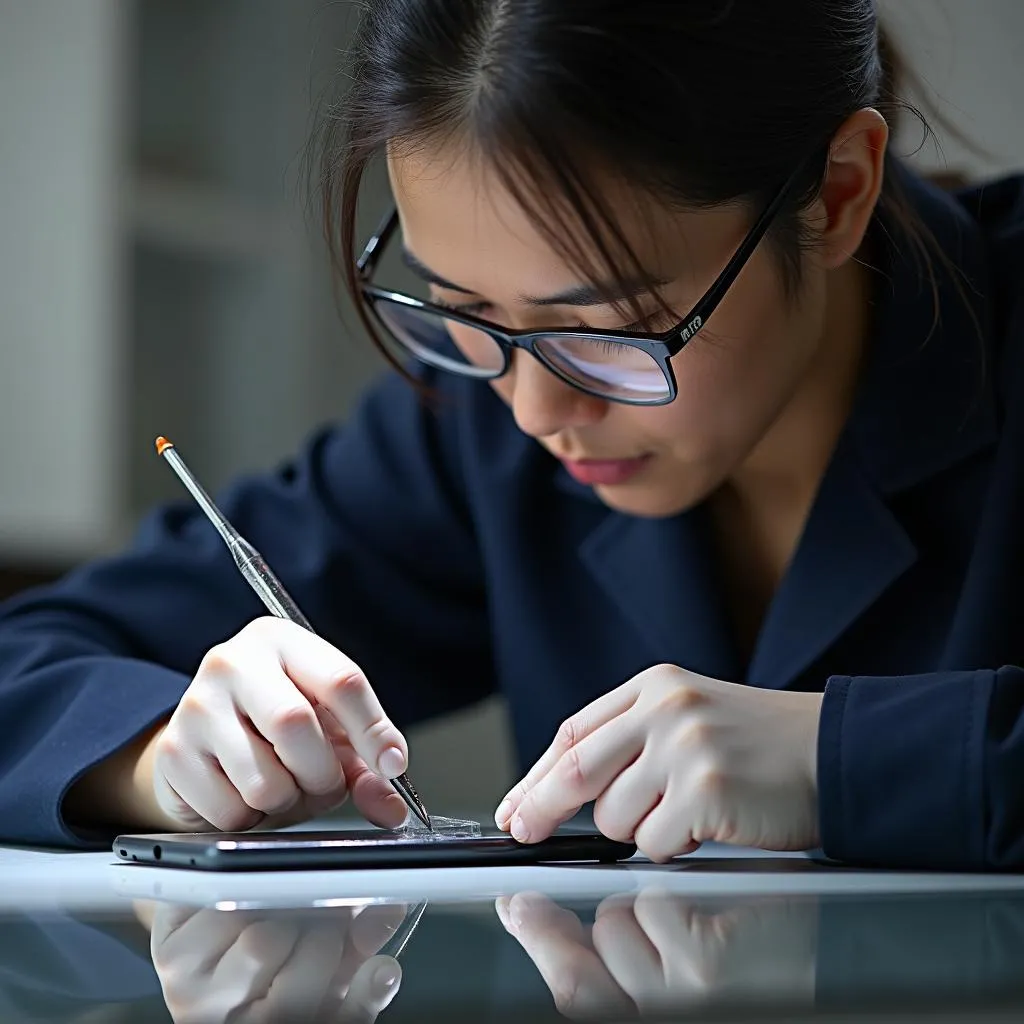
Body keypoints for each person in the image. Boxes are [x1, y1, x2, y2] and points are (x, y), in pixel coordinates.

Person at [1, 0, 1022, 870]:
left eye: (610, 328)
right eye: (459, 307)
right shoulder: (475, 429)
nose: (537, 414)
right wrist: (158, 753)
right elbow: (26, 661)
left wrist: (838, 758)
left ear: (837, 192)